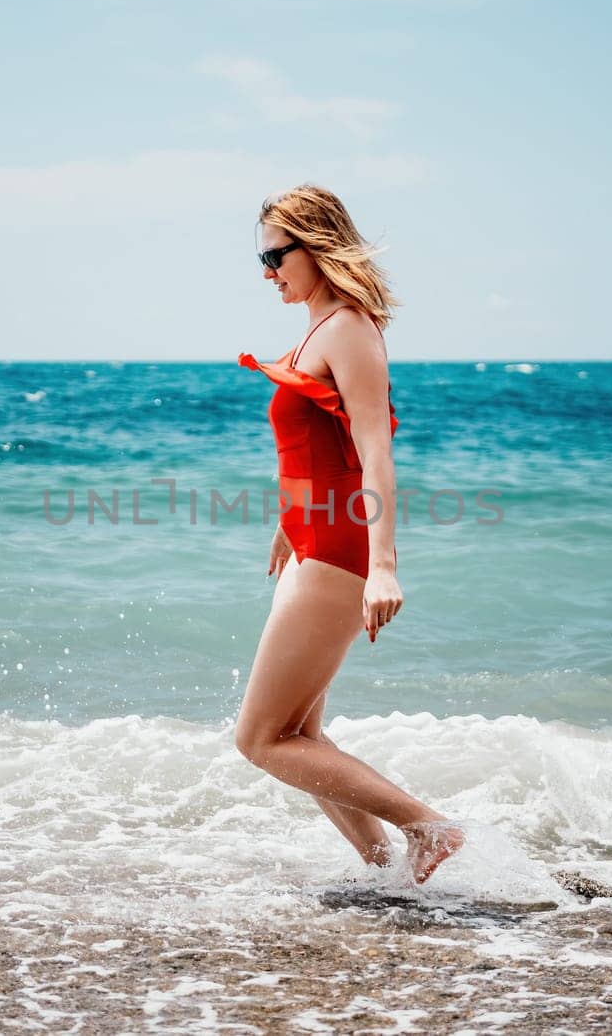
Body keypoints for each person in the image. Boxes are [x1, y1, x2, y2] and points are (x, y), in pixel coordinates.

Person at [235, 185, 463, 884]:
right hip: (313, 539)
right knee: (298, 733)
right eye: (261, 258)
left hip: (339, 548)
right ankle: (381, 869)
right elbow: (319, 444)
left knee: (261, 738)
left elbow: (373, 451)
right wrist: (287, 519)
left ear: (317, 244)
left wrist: (385, 565)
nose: (267, 270)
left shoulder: (350, 328)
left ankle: (428, 826)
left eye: (276, 255)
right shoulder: (317, 327)